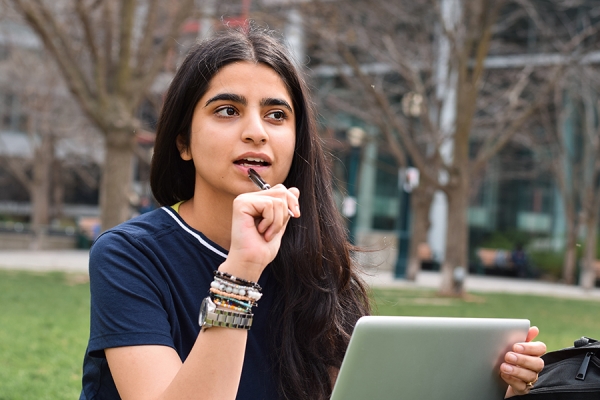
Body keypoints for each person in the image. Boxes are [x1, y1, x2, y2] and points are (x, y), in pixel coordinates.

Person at [79, 26, 545, 400]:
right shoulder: (128, 255)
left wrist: (490, 387)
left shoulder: (313, 257)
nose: (256, 132)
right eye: (227, 110)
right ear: (182, 141)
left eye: (277, 115)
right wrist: (241, 273)